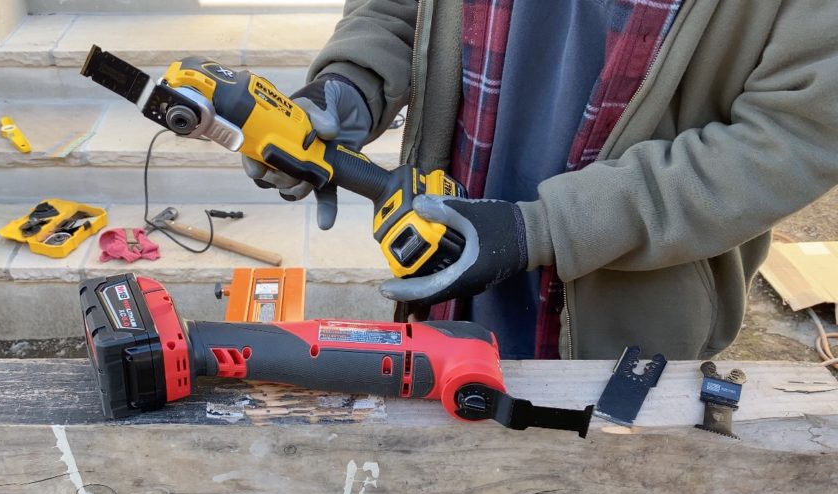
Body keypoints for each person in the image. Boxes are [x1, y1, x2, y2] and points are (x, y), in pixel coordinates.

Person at [242, 0, 838, 360]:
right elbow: (399, 8)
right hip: (454, 283)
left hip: (629, 323)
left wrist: (547, 230)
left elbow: (795, 134)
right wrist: (353, 79)